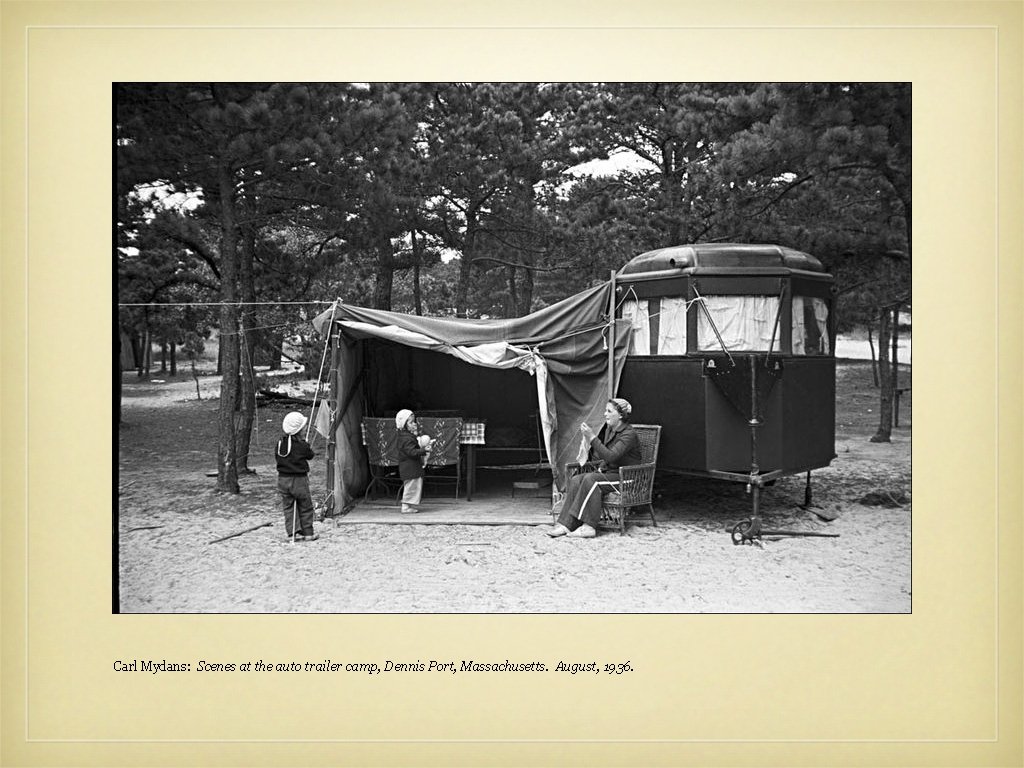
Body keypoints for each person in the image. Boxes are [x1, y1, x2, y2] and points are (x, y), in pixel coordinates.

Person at [546, 398, 642, 539]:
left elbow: (611, 457)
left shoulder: (629, 434)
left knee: (591, 480)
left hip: (627, 477)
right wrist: (588, 442)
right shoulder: (611, 430)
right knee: (577, 479)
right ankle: (566, 524)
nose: (605, 414)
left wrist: (592, 437)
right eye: (605, 410)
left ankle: (588, 526)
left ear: (620, 415)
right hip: (611, 474)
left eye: (609, 411)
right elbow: (603, 456)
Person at [276, 411, 318, 542]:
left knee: (289, 507)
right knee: (305, 505)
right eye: (304, 427)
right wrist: (306, 445)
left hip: (282, 480)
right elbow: (310, 455)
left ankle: (293, 533)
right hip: (299, 480)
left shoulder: (280, 444)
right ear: (299, 430)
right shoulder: (302, 445)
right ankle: (308, 533)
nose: (306, 428)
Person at [395, 409, 434, 514]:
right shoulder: (406, 438)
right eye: (411, 422)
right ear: (404, 424)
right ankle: (405, 506)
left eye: (414, 422)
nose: (414, 424)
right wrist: (423, 450)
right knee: (411, 487)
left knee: (413, 486)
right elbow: (411, 452)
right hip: (410, 468)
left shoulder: (406, 436)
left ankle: (408, 505)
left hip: (412, 467)